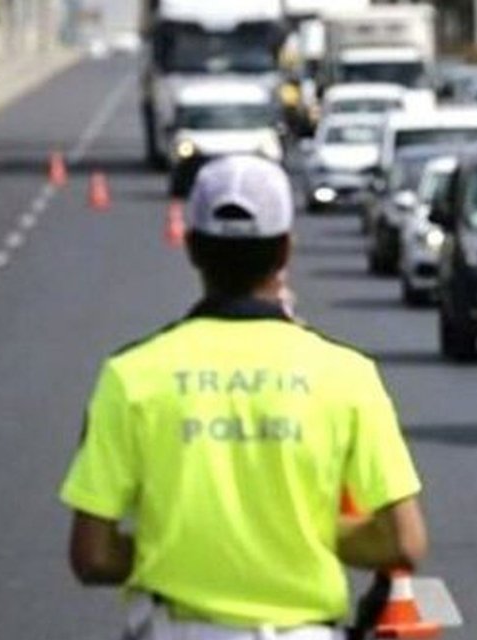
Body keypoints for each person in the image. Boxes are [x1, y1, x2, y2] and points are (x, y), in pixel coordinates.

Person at [59, 155, 428, 640]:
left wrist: (178, 548)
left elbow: (93, 556)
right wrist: (296, 534)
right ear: (286, 251)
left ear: (191, 247)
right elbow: (404, 542)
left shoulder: (131, 376)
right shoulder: (347, 375)